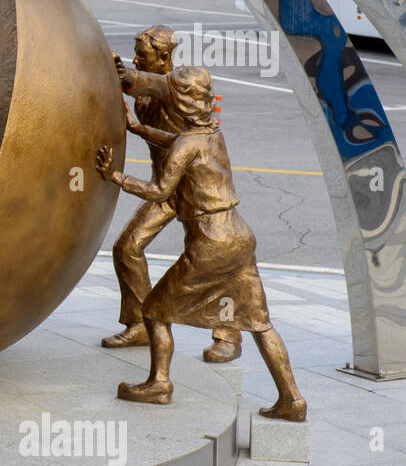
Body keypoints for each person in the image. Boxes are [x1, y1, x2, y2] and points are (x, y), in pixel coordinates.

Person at [95, 67, 306, 421]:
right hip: (240, 236)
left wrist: (115, 176)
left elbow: (160, 191)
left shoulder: (186, 144)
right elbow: (180, 143)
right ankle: (292, 399)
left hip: (211, 241)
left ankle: (159, 384)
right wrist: (138, 128)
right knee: (260, 323)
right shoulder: (212, 133)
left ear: (178, 102)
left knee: (154, 310)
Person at [104, 25, 243, 365]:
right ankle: (138, 323)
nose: (137, 57)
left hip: (196, 190)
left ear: (164, 56)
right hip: (166, 188)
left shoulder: (176, 85)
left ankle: (228, 335)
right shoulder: (151, 86)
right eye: (135, 52)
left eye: (144, 53)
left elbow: (145, 83)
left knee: (217, 259)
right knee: (127, 247)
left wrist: (125, 74)